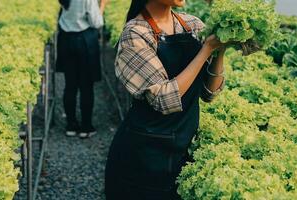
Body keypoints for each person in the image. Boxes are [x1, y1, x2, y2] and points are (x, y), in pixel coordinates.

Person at [105, 0, 228, 199]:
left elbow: (209, 92)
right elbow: (163, 99)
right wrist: (206, 50)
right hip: (144, 154)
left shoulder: (192, 25)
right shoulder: (135, 33)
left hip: (181, 146)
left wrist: (219, 50)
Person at [56, 0, 108, 138]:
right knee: (86, 85)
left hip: (66, 39)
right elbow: (96, 22)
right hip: (84, 40)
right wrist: (102, 5)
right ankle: (86, 127)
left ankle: (71, 125)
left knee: (70, 85)